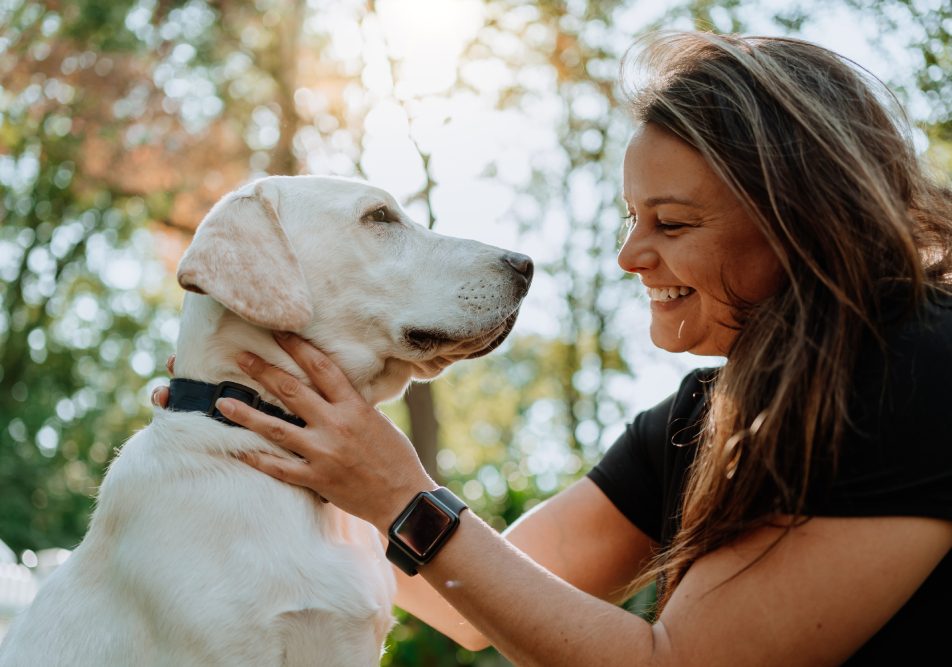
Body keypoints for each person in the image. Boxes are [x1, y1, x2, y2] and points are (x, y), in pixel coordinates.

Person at [152, 31, 952, 665]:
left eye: (671, 223)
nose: (630, 256)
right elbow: (473, 594)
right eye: (630, 217)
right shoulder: (698, 420)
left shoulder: (916, 368)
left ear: (803, 220)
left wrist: (402, 493)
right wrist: (280, 443)